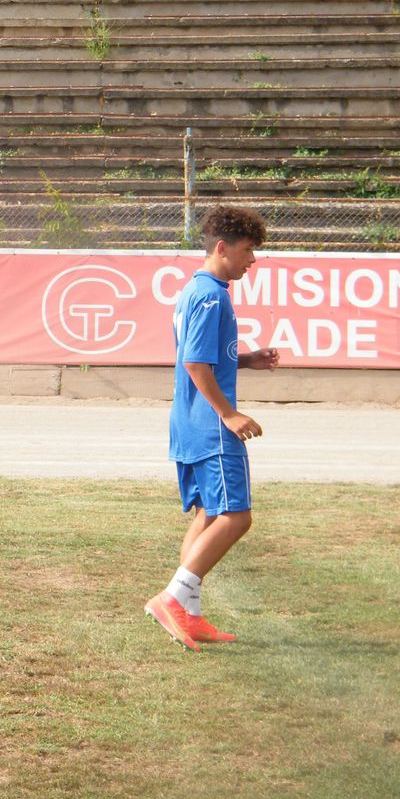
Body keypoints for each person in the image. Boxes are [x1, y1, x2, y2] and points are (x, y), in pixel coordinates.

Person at [145, 205, 279, 651]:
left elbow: (204, 354)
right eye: (247, 251)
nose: (252, 261)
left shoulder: (197, 290)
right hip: (210, 426)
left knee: (207, 513)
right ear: (222, 247)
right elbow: (194, 362)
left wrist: (245, 359)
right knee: (236, 516)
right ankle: (172, 598)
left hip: (188, 423)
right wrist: (229, 414)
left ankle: (191, 613)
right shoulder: (211, 295)